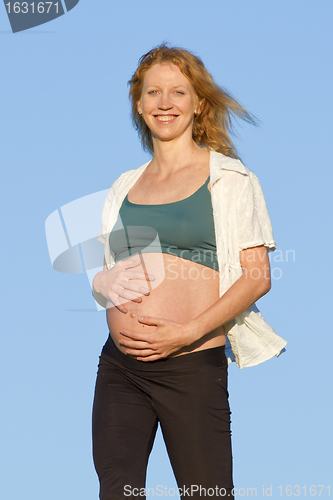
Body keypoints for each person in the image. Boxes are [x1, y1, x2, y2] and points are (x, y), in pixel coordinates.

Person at [91, 44, 287, 500]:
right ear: (138, 104)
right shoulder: (123, 186)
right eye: (153, 92)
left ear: (198, 103)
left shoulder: (230, 179)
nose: (165, 103)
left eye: (178, 92)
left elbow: (258, 276)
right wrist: (99, 283)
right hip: (121, 368)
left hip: (191, 365)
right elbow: (109, 274)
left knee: (208, 495)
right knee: (117, 494)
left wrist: (186, 333)